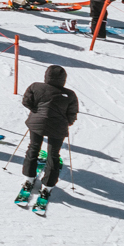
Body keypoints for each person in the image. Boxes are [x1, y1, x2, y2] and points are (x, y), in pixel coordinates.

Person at [17, 65, 78, 211]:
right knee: (53, 154)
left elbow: (26, 101)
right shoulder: (69, 94)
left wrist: (36, 112)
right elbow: (72, 113)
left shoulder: (36, 87)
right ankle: (47, 186)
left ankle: (29, 180)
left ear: (46, 76)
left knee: (33, 148)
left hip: (37, 124)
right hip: (58, 127)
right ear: (63, 79)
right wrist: (67, 122)